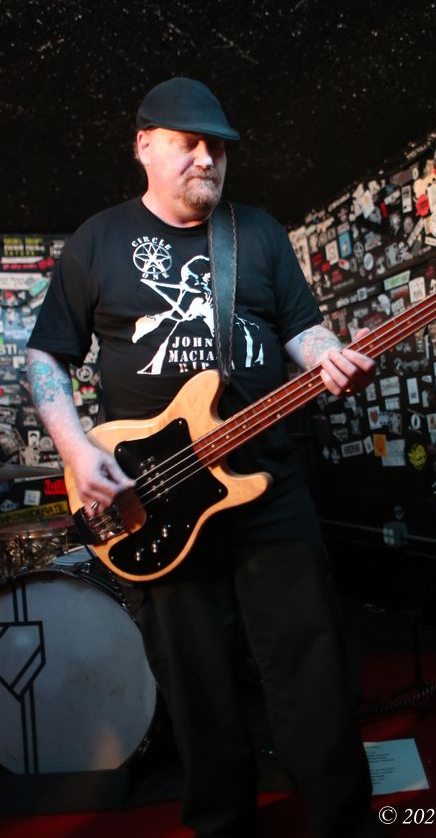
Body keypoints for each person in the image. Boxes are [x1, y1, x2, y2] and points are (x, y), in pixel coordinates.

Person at [27, 77, 382, 837]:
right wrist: (75, 449)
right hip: (155, 496)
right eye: (188, 143)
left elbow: (303, 330)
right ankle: (223, 825)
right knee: (196, 681)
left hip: (268, 484)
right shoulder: (97, 240)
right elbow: (47, 355)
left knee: (310, 663)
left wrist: (330, 355)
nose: (206, 159)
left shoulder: (258, 233)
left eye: (217, 147)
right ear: (144, 145)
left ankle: (343, 822)